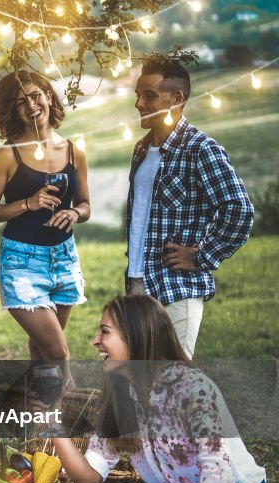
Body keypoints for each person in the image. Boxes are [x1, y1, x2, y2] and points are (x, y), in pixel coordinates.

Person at [55, 295, 274, 483]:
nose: (96, 341)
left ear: (135, 335)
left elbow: (217, 479)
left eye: (105, 331)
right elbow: (89, 478)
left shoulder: (192, 388)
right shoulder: (120, 397)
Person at [124, 56, 253, 358]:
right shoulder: (141, 149)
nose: (139, 103)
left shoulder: (201, 149)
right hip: (136, 286)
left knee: (172, 383)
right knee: (136, 383)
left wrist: (203, 256)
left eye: (149, 95)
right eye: (138, 95)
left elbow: (239, 210)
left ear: (176, 98)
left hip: (176, 287)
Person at [0, 70, 91, 385]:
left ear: (48, 95)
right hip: (22, 263)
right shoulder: (5, 156)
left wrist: (74, 214)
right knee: (58, 352)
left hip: (65, 259)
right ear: (12, 111)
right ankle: (71, 418)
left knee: (42, 350)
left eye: (35, 96)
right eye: (20, 102)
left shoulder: (73, 150)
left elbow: (85, 204)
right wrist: (28, 203)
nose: (31, 106)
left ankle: (35, 422)